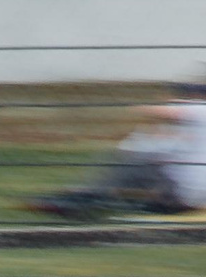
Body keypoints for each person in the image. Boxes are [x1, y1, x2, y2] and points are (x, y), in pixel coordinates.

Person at [32, 81, 206, 219]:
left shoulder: (199, 109)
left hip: (185, 193)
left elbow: (151, 113)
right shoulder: (188, 127)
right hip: (189, 192)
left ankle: (85, 197)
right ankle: (87, 195)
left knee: (136, 160)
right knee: (146, 159)